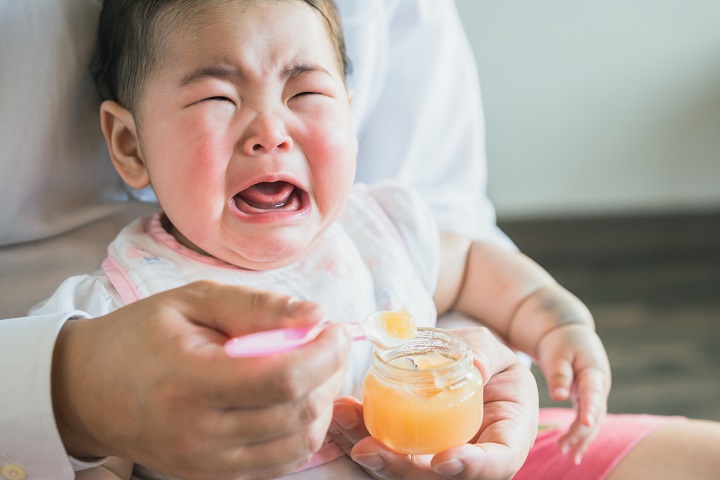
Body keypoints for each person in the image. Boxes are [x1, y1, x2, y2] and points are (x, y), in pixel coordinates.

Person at [2, 3, 720, 480]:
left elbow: (471, 262)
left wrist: (559, 321)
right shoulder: (118, 304)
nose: (270, 130)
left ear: (350, 111)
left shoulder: (377, 231)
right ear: (130, 145)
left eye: (306, 93)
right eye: (218, 99)